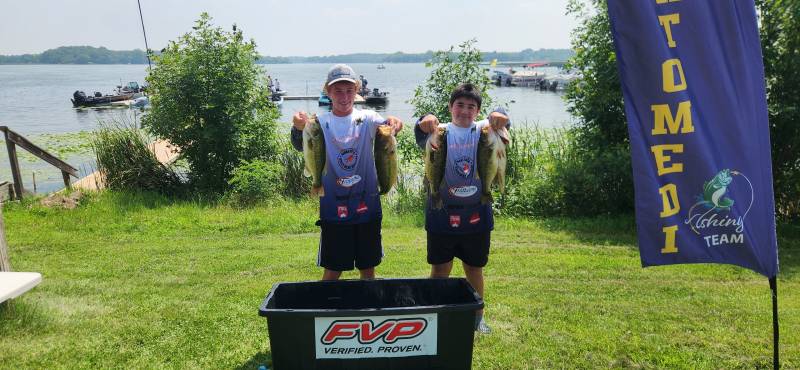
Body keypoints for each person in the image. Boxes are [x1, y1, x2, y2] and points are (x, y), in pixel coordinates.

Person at [290, 64, 403, 281]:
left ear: (357, 91)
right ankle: (326, 303)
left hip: (368, 207)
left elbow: (390, 130)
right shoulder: (320, 122)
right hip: (333, 209)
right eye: (338, 91)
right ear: (328, 92)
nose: (344, 96)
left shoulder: (368, 118)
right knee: (333, 270)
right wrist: (297, 127)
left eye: (349, 90)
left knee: (368, 269)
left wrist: (396, 123)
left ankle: (366, 301)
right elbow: (299, 144)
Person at [414, 83, 509, 334]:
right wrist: (424, 119)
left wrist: (500, 114)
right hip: (441, 214)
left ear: (478, 111)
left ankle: (478, 318)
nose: (465, 111)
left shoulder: (485, 130)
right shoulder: (440, 132)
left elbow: (503, 121)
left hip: (476, 214)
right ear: (450, 107)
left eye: (471, 106)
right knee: (440, 269)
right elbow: (420, 128)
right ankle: (433, 314)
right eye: (459, 105)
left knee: (474, 268)